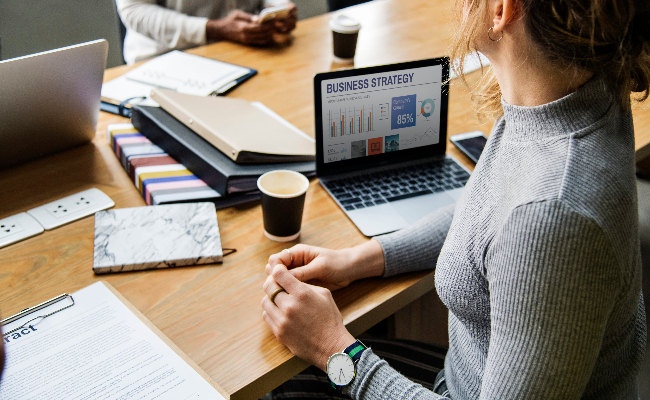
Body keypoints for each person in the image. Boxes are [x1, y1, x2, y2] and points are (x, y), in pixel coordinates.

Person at [260, 0, 650, 397]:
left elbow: (526, 221)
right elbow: (488, 212)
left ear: (502, 9)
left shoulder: (550, 216)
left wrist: (335, 351)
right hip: (466, 374)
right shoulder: (572, 92)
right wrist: (360, 260)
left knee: (277, 386)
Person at [116, 0, 298, 64]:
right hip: (167, 59)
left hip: (252, 51)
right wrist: (213, 29)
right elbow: (135, 9)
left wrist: (276, 6)